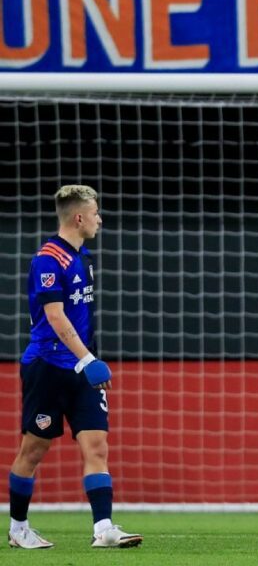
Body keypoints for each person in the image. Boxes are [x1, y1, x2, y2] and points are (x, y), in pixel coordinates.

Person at [10, 185, 142, 549]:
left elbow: (83, 319)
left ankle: (104, 528)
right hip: (47, 367)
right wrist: (88, 360)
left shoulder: (83, 257)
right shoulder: (47, 259)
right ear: (79, 217)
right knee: (33, 450)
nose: (100, 219)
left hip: (82, 369)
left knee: (97, 445)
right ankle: (18, 529)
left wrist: (89, 360)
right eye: (97, 213)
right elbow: (55, 317)